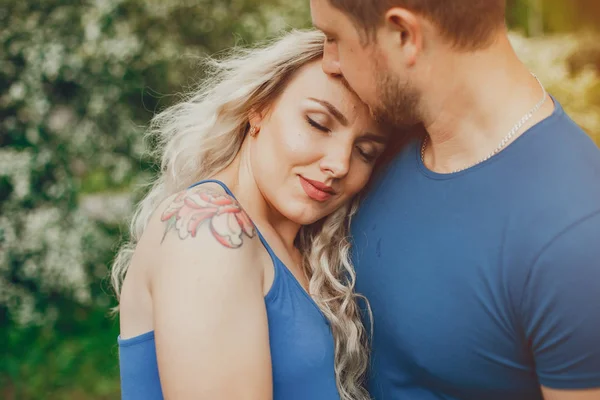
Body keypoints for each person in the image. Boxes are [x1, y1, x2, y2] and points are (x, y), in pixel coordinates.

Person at [310, 1, 600, 399]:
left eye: (333, 38)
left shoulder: (575, 236)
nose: (329, 63)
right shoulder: (373, 140)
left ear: (403, 36)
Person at [110, 29, 390, 400]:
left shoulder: (298, 246)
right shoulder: (210, 233)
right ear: (259, 108)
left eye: (365, 152)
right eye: (318, 124)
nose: (339, 164)